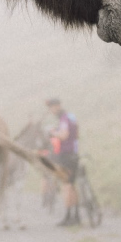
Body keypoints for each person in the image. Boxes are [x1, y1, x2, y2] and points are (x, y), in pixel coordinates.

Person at [45, 97, 82, 227]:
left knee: (66, 186)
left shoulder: (64, 118)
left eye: (51, 108)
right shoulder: (71, 116)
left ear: (57, 106)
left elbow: (64, 135)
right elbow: (76, 134)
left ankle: (68, 217)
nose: (51, 110)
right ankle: (76, 215)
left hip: (66, 155)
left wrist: (53, 133)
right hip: (74, 153)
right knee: (72, 185)